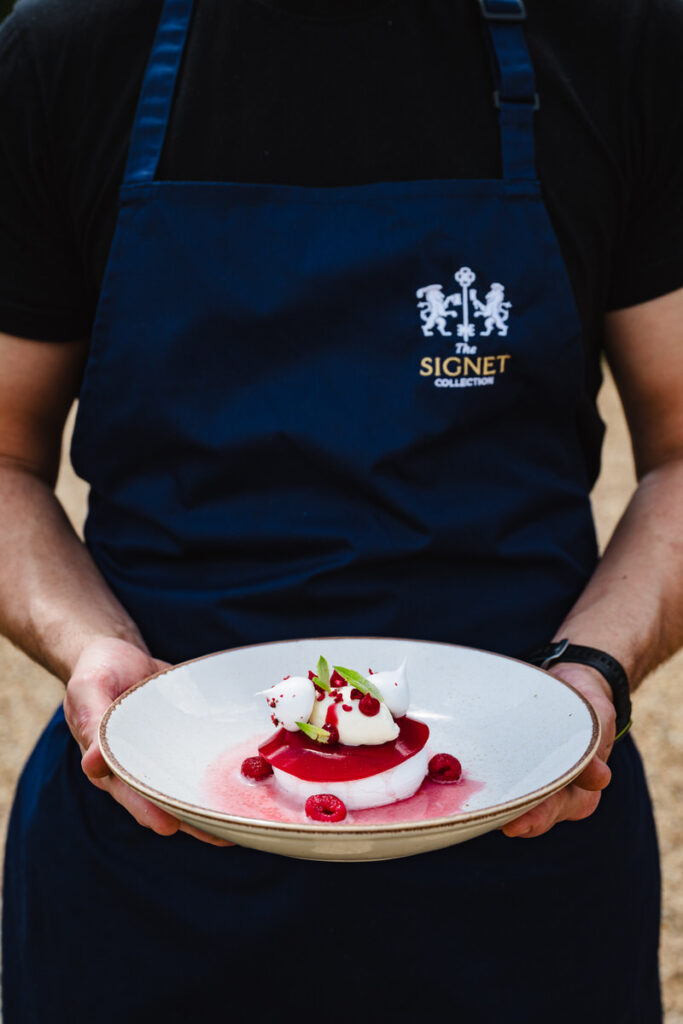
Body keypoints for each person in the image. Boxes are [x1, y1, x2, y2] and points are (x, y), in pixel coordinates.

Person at [0, 0, 682, 1020]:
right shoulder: (67, 47)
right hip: (146, 880)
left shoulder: (620, 39)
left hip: (523, 876)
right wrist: (92, 651)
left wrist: (591, 670)